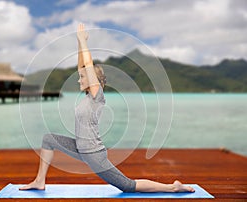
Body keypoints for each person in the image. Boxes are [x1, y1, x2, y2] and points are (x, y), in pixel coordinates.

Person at [19, 23, 195, 193]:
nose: (79, 79)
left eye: (82, 77)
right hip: (81, 149)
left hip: (94, 155)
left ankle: (172, 187)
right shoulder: (88, 96)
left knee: (128, 186)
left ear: (92, 80)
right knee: (48, 139)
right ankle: (39, 181)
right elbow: (82, 66)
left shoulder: (97, 96)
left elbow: (87, 66)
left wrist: (85, 41)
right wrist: (79, 42)